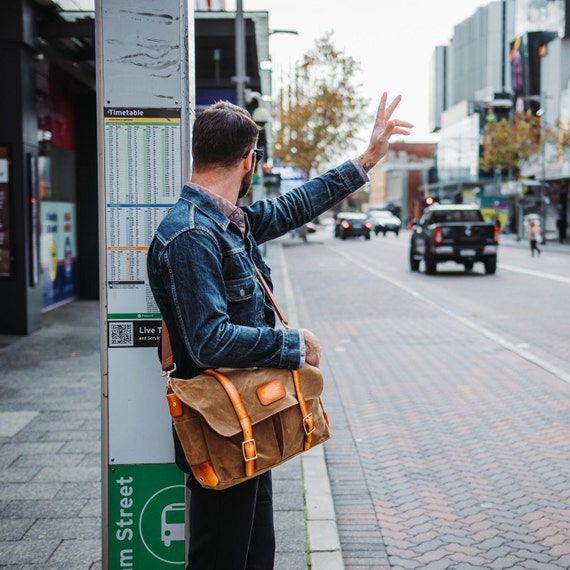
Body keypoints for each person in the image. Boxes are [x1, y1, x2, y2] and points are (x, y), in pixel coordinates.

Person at [147, 93, 412, 569]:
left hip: (244, 416)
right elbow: (210, 339)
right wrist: (294, 343)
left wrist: (368, 158)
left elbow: (296, 204)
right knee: (222, 558)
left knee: (255, 554)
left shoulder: (227, 222)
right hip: (218, 427)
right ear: (250, 159)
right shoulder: (191, 234)